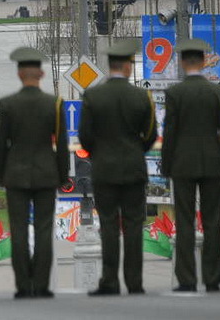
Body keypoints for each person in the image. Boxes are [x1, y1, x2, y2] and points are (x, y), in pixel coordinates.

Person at [79, 39, 157, 296]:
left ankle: (110, 282)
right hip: (134, 168)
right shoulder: (141, 96)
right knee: (134, 224)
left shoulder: (93, 96)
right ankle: (135, 283)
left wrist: (100, 153)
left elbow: (85, 137)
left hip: (104, 169)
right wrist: (136, 151)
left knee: (109, 225)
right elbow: (150, 134)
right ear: (128, 66)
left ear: (110, 65)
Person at [0, 46, 69, 299]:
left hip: (15, 174)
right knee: (44, 229)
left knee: (19, 230)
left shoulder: (7, 104)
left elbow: (1, 144)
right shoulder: (54, 104)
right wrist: (62, 175)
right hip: (46, 173)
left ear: (19, 74)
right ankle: (42, 285)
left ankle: (23, 286)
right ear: (42, 74)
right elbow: (61, 145)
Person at [162, 37, 220, 293]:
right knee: (214, 220)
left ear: (182, 63)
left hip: (182, 164)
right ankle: (213, 278)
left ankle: (187, 279)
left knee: (184, 221)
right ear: (204, 62)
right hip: (213, 163)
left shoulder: (174, 93)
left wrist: (166, 165)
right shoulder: (218, 91)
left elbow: (169, 132)